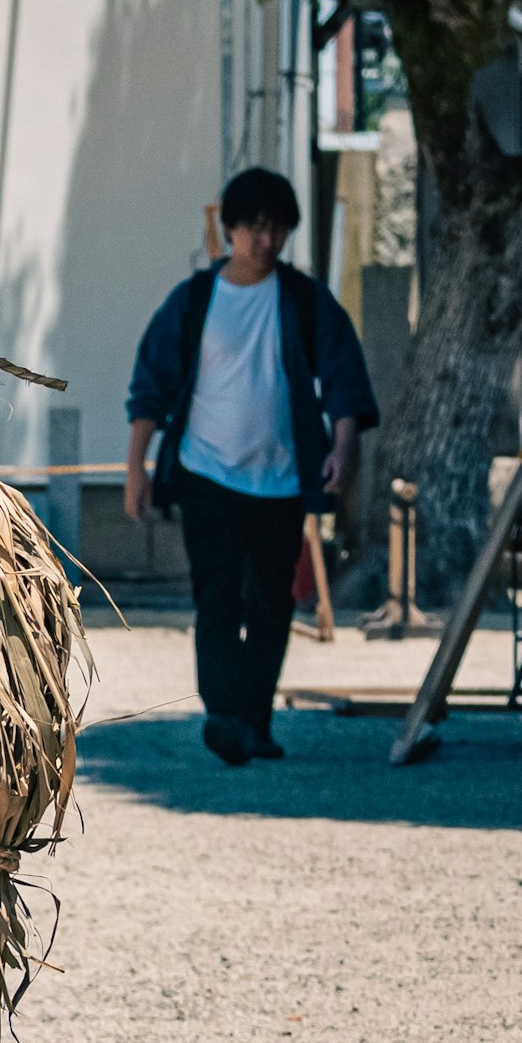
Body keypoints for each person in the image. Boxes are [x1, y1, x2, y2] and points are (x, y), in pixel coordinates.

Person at [122, 168, 381, 765]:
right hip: (204, 475)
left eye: (278, 228)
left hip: (283, 481)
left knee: (271, 601)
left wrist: (344, 447)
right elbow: (150, 389)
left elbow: (344, 379)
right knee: (217, 596)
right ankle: (222, 715)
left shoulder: (304, 300)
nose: (266, 240)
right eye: (255, 227)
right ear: (230, 227)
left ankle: (255, 721)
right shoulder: (192, 302)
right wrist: (137, 469)